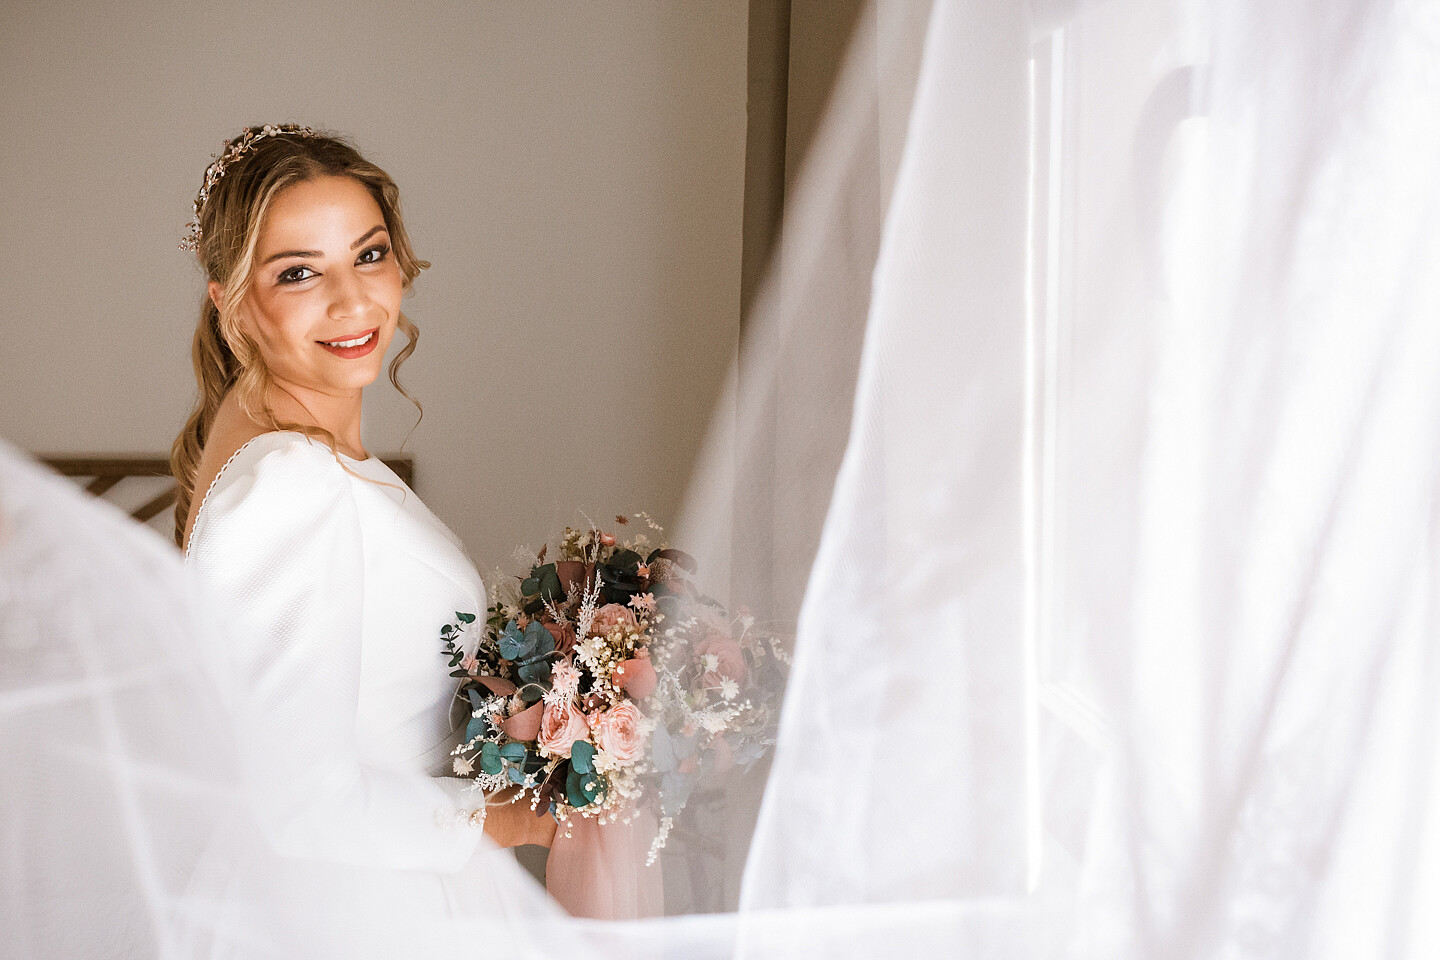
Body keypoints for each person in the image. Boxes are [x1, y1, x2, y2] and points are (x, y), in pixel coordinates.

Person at [170, 124, 581, 934]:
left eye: (368, 254)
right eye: (298, 273)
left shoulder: (291, 450)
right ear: (232, 304)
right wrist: (512, 818)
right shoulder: (289, 482)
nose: (354, 301)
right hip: (357, 914)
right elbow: (298, 808)